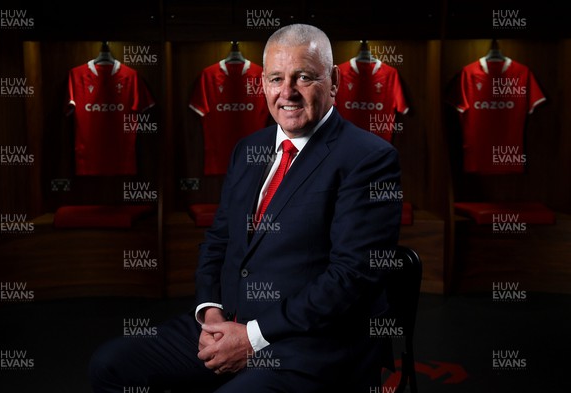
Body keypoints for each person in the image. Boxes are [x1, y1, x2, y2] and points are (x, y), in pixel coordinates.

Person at [89, 23, 402, 393]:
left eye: (303, 77)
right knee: (110, 366)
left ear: (333, 81)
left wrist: (252, 338)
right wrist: (210, 314)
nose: (287, 92)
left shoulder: (370, 159)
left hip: (312, 344)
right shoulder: (248, 150)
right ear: (263, 83)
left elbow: (351, 278)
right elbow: (219, 241)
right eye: (275, 78)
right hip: (231, 323)